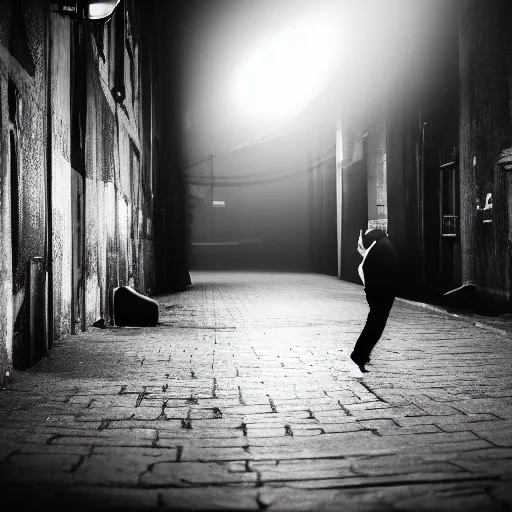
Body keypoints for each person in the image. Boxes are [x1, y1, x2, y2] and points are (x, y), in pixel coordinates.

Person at [350, 227, 399, 373]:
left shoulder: (378, 246)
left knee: (374, 325)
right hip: (382, 293)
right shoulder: (383, 245)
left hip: (378, 292)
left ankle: (362, 355)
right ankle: (359, 355)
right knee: (375, 326)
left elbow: (367, 268)